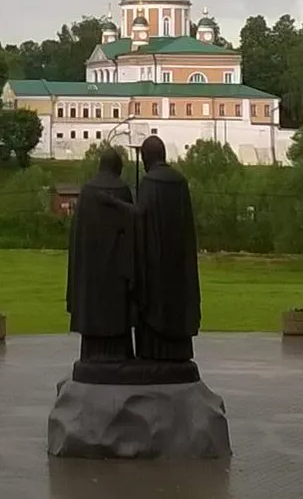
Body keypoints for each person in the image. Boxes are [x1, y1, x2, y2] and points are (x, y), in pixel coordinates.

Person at [128, 133, 201, 362]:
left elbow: (141, 226)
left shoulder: (149, 184)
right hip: (179, 262)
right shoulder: (180, 182)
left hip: (155, 264)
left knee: (155, 308)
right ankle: (178, 353)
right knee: (177, 305)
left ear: (146, 159)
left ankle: (152, 353)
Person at [65, 146, 136, 361]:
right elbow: (132, 232)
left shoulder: (88, 192)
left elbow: (78, 236)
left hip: (91, 272)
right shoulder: (123, 190)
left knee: (94, 315)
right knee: (116, 316)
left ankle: (92, 355)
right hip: (117, 272)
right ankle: (119, 356)